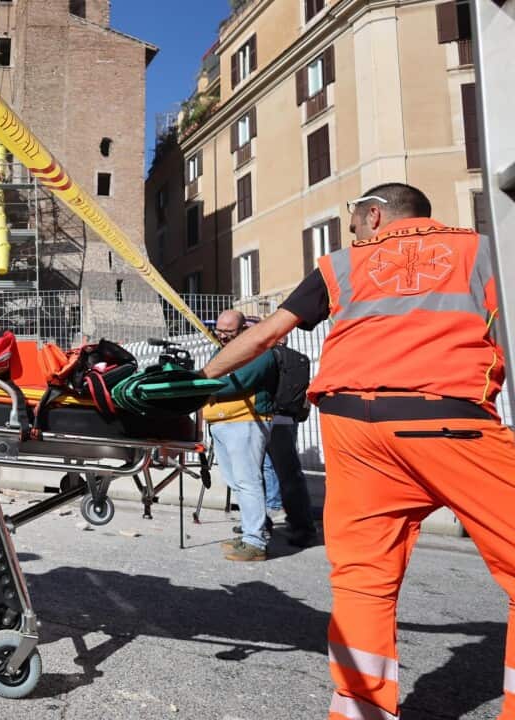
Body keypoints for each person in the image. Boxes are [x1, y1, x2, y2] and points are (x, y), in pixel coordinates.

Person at [200, 182, 514, 719]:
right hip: (446, 422)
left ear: (374, 214)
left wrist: (197, 379)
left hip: (353, 428)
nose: (350, 230)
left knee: (363, 580)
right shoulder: (484, 250)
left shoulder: (341, 266)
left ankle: (359, 710)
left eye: (352, 220)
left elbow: (266, 335)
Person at [205, 309, 277, 562]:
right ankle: (252, 531)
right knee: (237, 482)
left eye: (229, 332)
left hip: (246, 422)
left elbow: (238, 383)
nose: (222, 336)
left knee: (248, 481)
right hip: (224, 421)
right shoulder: (224, 350)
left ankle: (255, 541)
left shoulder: (259, 351)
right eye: (220, 330)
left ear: (243, 329)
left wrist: (199, 385)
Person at [261, 338, 318, 547]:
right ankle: (302, 528)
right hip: (286, 419)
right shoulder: (299, 358)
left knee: (256, 475)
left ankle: (259, 524)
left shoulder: (262, 357)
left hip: (263, 419)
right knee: (289, 475)